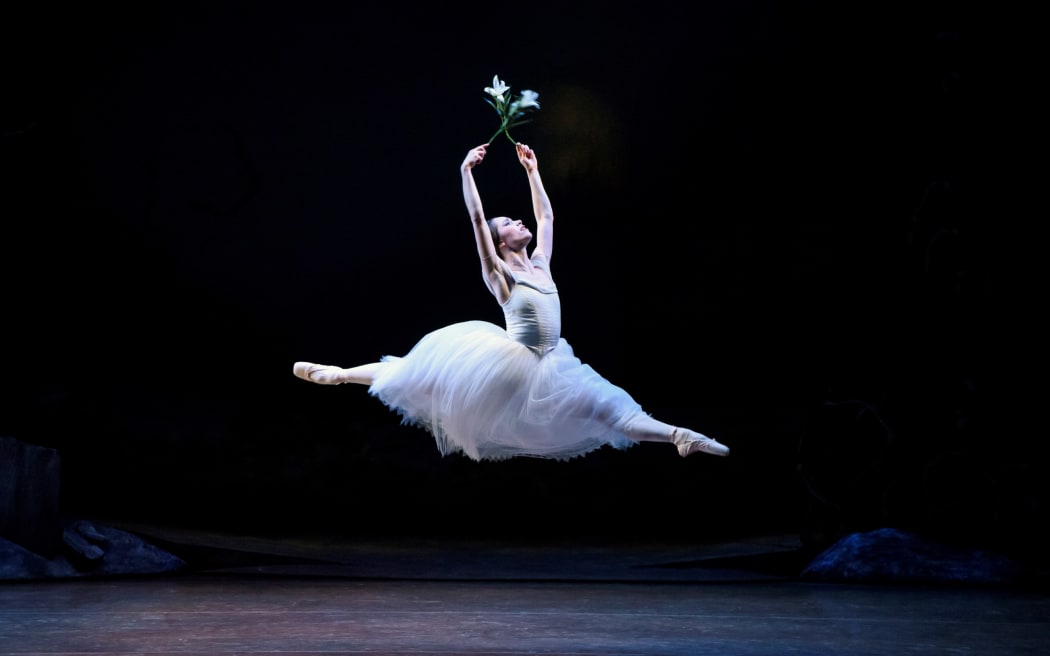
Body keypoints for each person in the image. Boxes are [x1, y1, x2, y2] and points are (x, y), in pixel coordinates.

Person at [293, 142, 729, 462]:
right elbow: (477, 219)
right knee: (419, 374)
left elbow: (546, 216)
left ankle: (679, 436)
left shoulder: (541, 263)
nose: (519, 221)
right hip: (511, 366)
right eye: (509, 222)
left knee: (612, 407)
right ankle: (339, 374)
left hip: (554, 365)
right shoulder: (500, 276)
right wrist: (466, 172)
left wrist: (532, 172)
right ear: (500, 242)